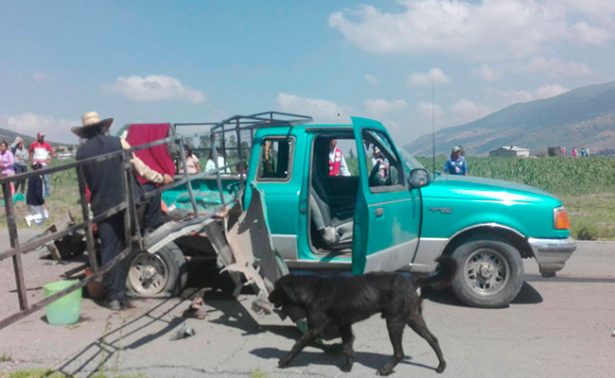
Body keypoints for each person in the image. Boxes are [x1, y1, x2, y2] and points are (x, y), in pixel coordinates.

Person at [73, 111, 173, 311]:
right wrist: (161, 178)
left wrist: (91, 214)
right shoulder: (119, 143)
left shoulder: (81, 154)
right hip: (129, 202)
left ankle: (114, 298)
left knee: (110, 251)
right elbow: (139, 167)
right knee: (153, 190)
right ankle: (148, 229)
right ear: (104, 127)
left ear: (85, 133)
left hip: (104, 208)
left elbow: (83, 186)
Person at [29, 132, 54, 197]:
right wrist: (32, 161)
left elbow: (52, 152)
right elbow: (29, 152)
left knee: (46, 179)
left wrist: (49, 161)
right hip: (36, 164)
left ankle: (46, 193)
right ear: (38, 137)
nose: (42, 138)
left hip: (44, 164)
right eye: (41, 137)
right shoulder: (33, 144)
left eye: (43, 137)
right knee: (36, 179)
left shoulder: (46, 144)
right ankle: (37, 193)